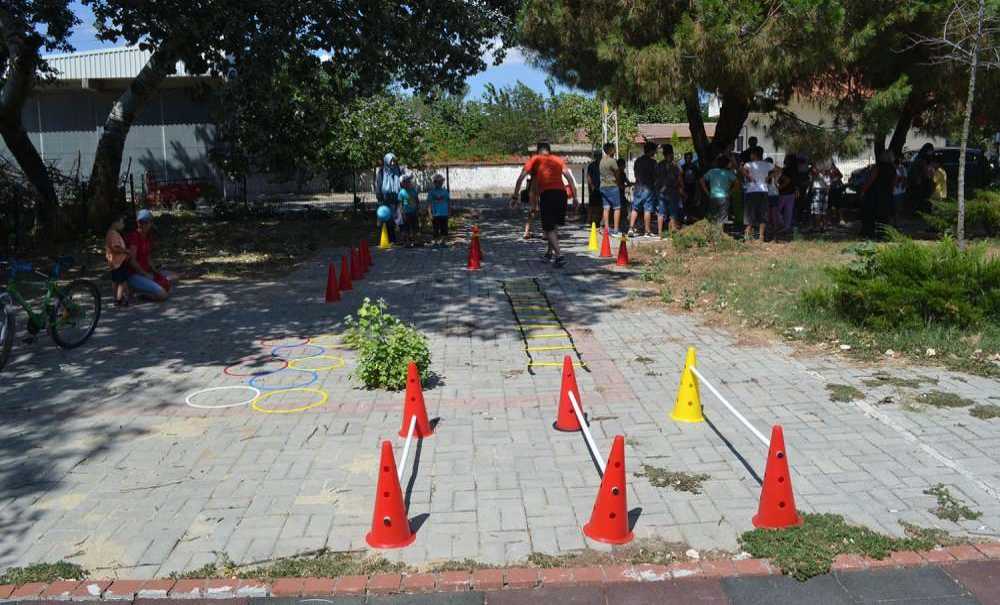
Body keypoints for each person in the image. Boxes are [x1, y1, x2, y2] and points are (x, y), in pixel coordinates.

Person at [512, 142, 578, 268]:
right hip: (561, 194)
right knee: (553, 225)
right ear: (549, 151)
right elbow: (569, 178)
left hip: (548, 194)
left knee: (548, 227)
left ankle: (559, 256)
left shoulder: (535, 159)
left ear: (538, 152)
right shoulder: (558, 160)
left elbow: (520, 178)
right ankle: (549, 253)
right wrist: (575, 197)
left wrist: (515, 196)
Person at [126, 209, 172, 302]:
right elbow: (132, 260)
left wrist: (155, 271)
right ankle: (141, 294)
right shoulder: (134, 237)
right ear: (137, 223)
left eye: (146, 222)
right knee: (163, 295)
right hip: (134, 275)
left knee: (167, 286)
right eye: (141, 222)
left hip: (145, 273)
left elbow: (148, 257)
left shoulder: (147, 237)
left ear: (150, 223)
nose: (143, 225)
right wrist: (145, 274)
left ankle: (139, 290)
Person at [860, 151, 896, 238]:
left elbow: (870, 180)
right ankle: (883, 234)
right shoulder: (893, 168)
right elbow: (894, 181)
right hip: (886, 194)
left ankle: (868, 233)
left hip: (874, 194)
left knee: (869, 214)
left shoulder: (877, 167)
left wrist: (863, 190)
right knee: (884, 215)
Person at [628, 142, 659, 237]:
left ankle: (631, 228)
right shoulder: (653, 162)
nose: (656, 152)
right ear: (651, 151)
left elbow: (635, 173)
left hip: (638, 186)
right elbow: (655, 176)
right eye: (655, 150)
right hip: (648, 187)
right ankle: (647, 231)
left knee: (635, 208)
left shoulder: (637, 161)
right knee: (647, 209)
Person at [742, 147, 772, 241]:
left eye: (751, 154)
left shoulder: (749, 164)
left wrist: (748, 176)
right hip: (763, 191)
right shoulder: (767, 164)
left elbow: (742, 170)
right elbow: (779, 169)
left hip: (751, 191)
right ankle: (761, 237)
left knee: (750, 214)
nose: (750, 156)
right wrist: (769, 177)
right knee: (763, 214)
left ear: (754, 154)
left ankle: (747, 236)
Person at [655, 143, 685, 235]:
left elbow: (656, 179)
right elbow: (680, 179)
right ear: (671, 153)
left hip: (661, 192)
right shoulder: (676, 165)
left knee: (661, 212)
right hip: (672, 192)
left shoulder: (659, 165)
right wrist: (682, 189)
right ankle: (672, 232)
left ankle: (660, 233)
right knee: (673, 213)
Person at [700, 156, 739, 225]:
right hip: (724, 197)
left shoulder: (711, 171)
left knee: (713, 217)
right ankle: (720, 233)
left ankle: (713, 233)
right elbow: (737, 183)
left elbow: (701, 180)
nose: (730, 164)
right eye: (729, 163)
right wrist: (731, 192)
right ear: (726, 164)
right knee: (722, 218)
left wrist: (707, 192)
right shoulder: (728, 173)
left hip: (713, 197)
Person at [376, 153, 403, 243]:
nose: (393, 163)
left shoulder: (397, 170)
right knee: (388, 219)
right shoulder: (382, 172)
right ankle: (389, 239)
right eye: (391, 161)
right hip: (386, 198)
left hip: (396, 197)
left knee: (398, 218)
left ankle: (399, 239)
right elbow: (379, 185)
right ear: (387, 161)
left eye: (394, 161)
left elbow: (401, 182)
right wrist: (379, 197)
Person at [598, 143, 624, 234]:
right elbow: (617, 173)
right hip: (612, 186)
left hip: (603, 187)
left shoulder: (601, 161)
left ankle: (606, 228)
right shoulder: (612, 161)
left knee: (606, 208)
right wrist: (619, 183)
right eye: (613, 148)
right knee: (617, 208)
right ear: (610, 150)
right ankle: (616, 229)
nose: (615, 150)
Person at [105, 214, 130, 307]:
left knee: (116, 281)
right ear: (115, 223)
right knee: (122, 281)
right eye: (121, 222)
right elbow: (115, 248)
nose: (123, 224)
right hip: (118, 262)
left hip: (114, 262)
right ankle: (120, 299)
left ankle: (119, 298)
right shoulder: (113, 234)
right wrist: (126, 251)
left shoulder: (110, 233)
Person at [427, 173, 450, 247]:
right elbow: (429, 203)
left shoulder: (445, 191)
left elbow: (448, 201)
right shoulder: (431, 192)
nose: (439, 183)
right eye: (437, 182)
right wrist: (430, 213)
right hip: (435, 213)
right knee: (435, 228)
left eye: (441, 182)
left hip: (444, 213)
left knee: (444, 228)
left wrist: (449, 211)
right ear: (434, 183)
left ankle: (443, 242)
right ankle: (436, 242)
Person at [810, 159, 833, 231]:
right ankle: (822, 226)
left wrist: (818, 172)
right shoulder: (827, 160)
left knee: (818, 210)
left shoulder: (820, 160)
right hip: (823, 188)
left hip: (819, 188)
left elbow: (814, 171)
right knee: (822, 210)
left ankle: (819, 227)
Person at [398, 173, 420, 247]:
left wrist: (417, 209)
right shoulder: (401, 192)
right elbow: (400, 204)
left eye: (408, 181)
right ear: (402, 184)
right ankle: (407, 242)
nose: (408, 183)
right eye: (406, 182)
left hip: (413, 212)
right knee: (406, 228)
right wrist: (402, 213)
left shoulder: (413, 190)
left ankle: (416, 241)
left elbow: (417, 200)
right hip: (406, 213)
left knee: (415, 227)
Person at [586, 151, 602, 227]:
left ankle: (598, 221)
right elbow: (588, 176)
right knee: (592, 205)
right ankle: (589, 221)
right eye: (597, 156)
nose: (599, 157)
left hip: (602, 187)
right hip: (594, 188)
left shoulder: (603, 165)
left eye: (600, 155)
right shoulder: (591, 165)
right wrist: (591, 185)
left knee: (601, 205)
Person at [681, 152, 699, 219]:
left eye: (689, 158)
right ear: (685, 159)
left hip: (692, 186)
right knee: (685, 201)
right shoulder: (683, 167)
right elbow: (680, 177)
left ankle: (691, 215)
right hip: (685, 186)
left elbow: (697, 178)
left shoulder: (694, 167)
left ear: (691, 158)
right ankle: (685, 215)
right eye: (686, 158)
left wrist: (697, 188)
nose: (688, 159)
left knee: (692, 200)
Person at [765, 157, 780, 229]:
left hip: (771, 196)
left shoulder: (773, 176)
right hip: (773, 195)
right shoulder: (769, 176)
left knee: (771, 213)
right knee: (771, 212)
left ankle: (773, 226)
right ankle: (773, 226)